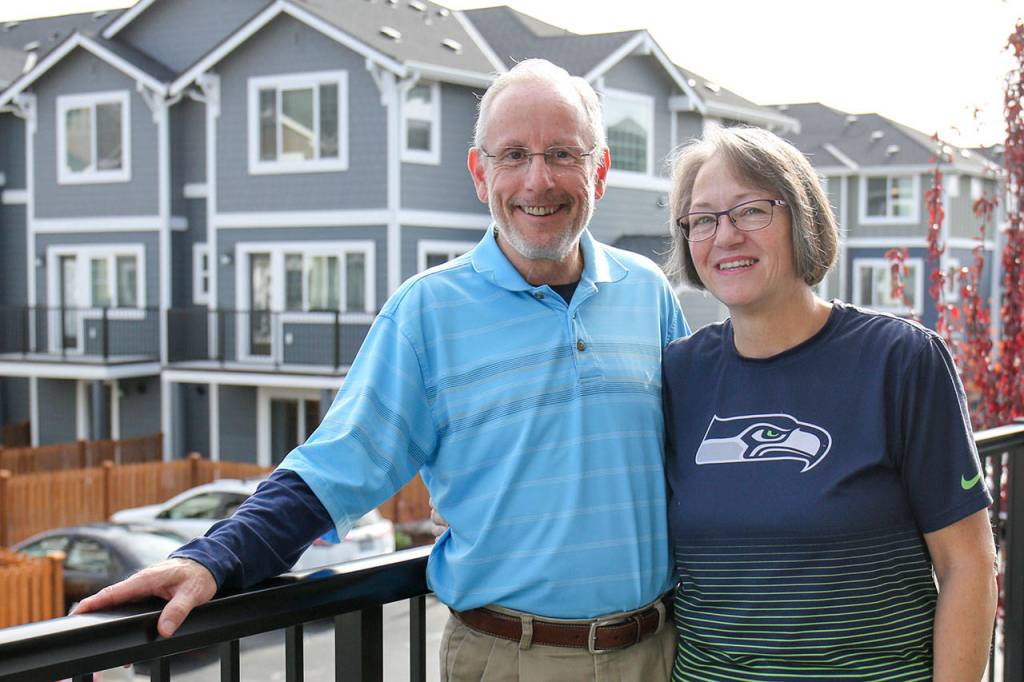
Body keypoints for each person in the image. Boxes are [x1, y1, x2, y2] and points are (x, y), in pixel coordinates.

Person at [75, 59, 688, 681]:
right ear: (481, 174)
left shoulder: (647, 292)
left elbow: (693, 452)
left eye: (562, 153)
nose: (539, 180)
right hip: (511, 660)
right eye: (513, 156)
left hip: (657, 653)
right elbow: (339, 463)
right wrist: (214, 559)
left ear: (600, 170)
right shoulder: (428, 312)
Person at [661, 126, 997, 681]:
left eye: (750, 210)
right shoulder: (679, 373)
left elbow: (968, 564)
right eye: (703, 219)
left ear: (804, 219)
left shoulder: (901, 360)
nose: (725, 236)